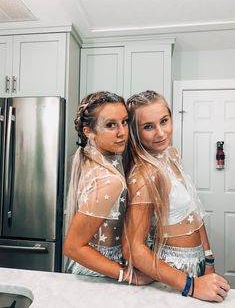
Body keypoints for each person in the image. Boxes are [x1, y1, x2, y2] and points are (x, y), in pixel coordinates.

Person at [122, 90, 230, 301]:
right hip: (172, 272)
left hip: (196, 263)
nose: (161, 133)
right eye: (148, 127)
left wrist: (208, 261)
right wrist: (191, 285)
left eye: (164, 121)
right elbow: (133, 249)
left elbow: (194, 212)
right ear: (135, 132)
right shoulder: (145, 174)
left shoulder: (170, 154)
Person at [63, 91, 151, 285]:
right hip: (100, 273)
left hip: (88, 269)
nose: (122, 132)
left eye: (125, 122)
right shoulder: (110, 181)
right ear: (89, 132)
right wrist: (127, 275)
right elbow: (72, 247)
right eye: (111, 125)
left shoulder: (88, 158)